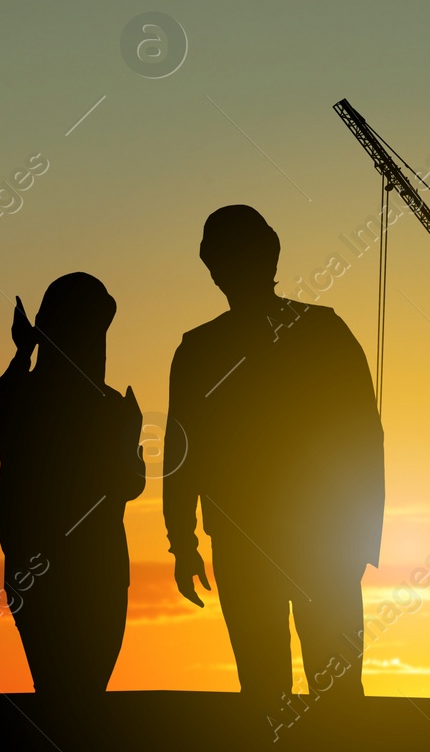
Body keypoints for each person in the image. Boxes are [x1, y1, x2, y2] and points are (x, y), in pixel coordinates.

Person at [163, 205, 385, 727]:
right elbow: (363, 439)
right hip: (303, 545)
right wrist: (360, 540)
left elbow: (180, 455)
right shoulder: (320, 332)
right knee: (325, 700)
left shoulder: (201, 349)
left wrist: (183, 542)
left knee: (274, 699)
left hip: (279, 545)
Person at [0, 273, 145, 698]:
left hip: (41, 568)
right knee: (83, 693)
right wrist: (130, 439)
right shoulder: (109, 408)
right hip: (93, 571)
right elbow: (129, 484)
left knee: (57, 689)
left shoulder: (21, 395)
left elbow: (3, 395)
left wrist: (26, 347)